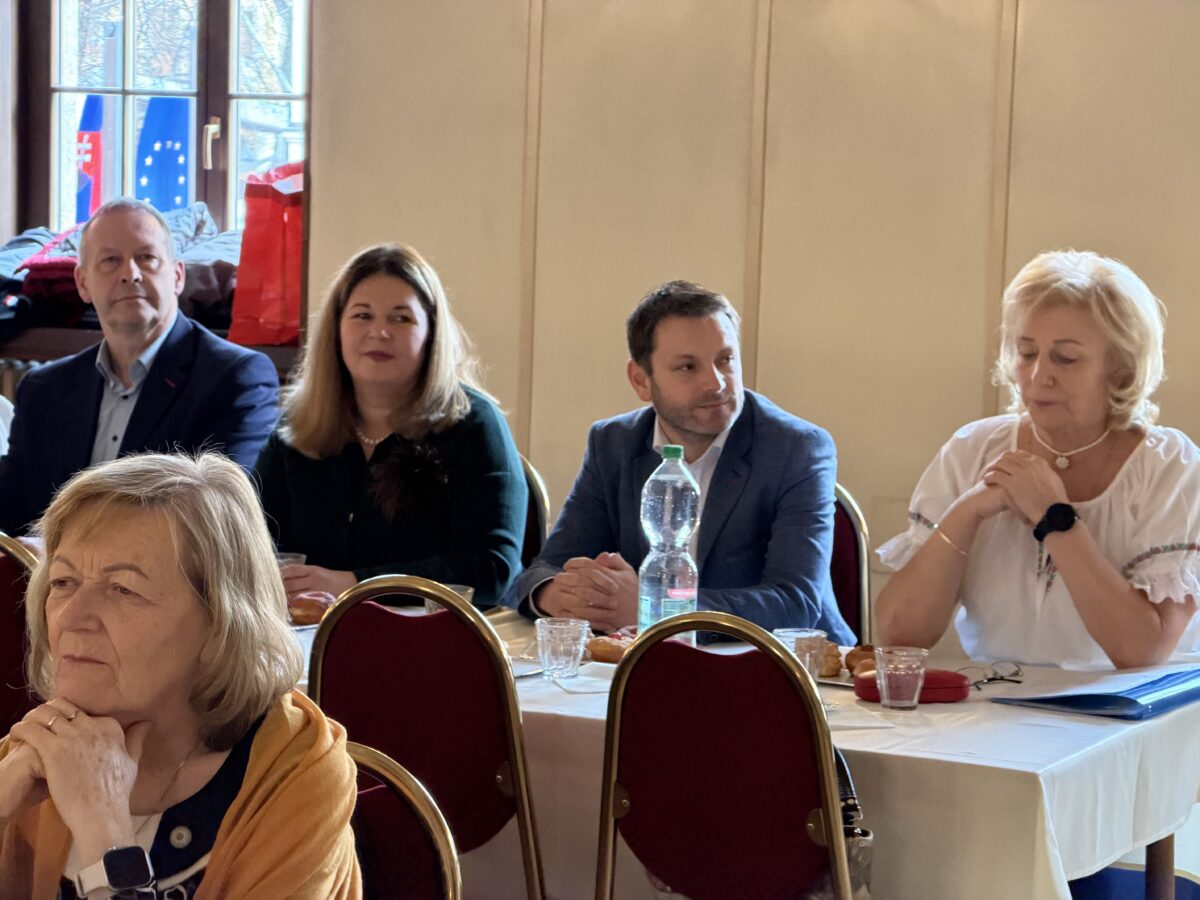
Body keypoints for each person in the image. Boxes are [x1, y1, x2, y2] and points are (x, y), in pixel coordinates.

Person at [0, 452, 360, 897]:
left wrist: (104, 832)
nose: (70, 617)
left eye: (123, 589)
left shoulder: (296, 783)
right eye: (62, 582)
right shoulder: (41, 743)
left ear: (220, 625)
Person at [875, 250, 1200, 669]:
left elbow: (1141, 652)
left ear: (1120, 369)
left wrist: (1054, 518)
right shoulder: (973, 448)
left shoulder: (1170, 466)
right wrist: (968, 511)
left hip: (1132, 706)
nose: (1037, 375)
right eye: (1027, 353)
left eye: (1065, 358)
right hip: (995, 698)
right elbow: (900, 635)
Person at [504, 279, 854, 642]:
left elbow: (794, 603)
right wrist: (558, 594)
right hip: (649, 660)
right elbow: (545, 569)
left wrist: (657, 609)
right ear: (641, 381)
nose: (716, 383)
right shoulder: (614, 443)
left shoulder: (796, 448)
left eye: (725, 360)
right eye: (688, 367)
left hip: (785, 664)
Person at [253, 244, 527, 610]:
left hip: (435, 632)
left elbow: (491, 569)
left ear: (431, 333)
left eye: (401, 318)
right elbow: (251, 538)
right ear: (336, 329)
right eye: (362, 315)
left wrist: (356, 585)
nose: (379, 332)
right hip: (307, 631)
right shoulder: (298, 424)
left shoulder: (474, 424)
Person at [0, 198, 280, 537]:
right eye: (110, 260)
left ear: (177, 276)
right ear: (82, 283)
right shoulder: (43, 389)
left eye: (147, 258)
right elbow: (11, 513)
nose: (130, 274)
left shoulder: (236, 378)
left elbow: (216, 521)